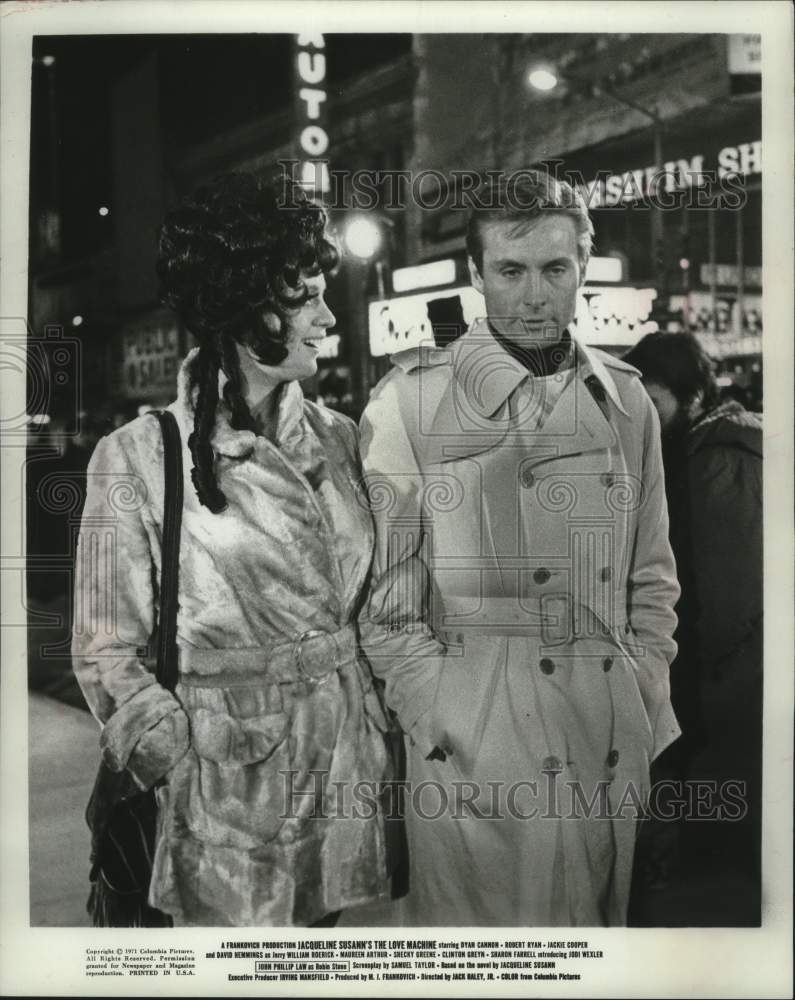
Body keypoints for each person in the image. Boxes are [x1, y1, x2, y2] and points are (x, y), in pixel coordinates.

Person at [357, 171, 680, 927]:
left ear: (581, 270)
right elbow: (383, 602)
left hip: (601, 723)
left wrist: (644, 681)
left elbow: (651, 572)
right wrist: (438, 712)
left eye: (554, 269)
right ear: (476, 276)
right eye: (510, 271)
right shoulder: (409, 402)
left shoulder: (625, 399)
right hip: (474, 735)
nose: (534, 295)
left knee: (595, 950)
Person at [71, 170, 391, 927]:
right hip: (224, 796)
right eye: (302, 294)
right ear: (243, 303)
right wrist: (177, 756)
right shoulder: (141, 454)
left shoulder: (342, 439)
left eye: (321, 289)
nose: (324, 313)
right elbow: (104, 647)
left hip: (338, 774)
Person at [622, 332, 762, 918]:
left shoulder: (717, 457)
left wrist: (688, 664)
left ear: (694, 394)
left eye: (656, 406)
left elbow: (728, 581)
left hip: (723, 669)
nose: (646, 421)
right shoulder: (702, 448)